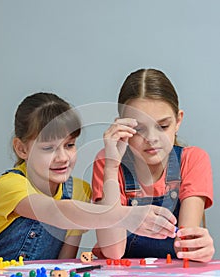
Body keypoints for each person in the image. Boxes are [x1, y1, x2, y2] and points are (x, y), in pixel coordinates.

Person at [0, 92, 177, 261]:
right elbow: (57, 212)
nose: (62, 158)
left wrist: (111, 165)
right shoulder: (9, 186)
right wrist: (127, 215)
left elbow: (63, 264)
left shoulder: (78, 190)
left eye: (69, 145)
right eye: (48, 148)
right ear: (21, 149)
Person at [92, 68, 215, 262]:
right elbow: (113, 251)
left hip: (170, 276)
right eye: (139, 129)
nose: (151, 139)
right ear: (122, 127)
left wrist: (199, 248)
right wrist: (111, 167)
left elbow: (185, 242)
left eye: (163, 126)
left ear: (178, 120)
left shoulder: (192, 160)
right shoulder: (107, 161)